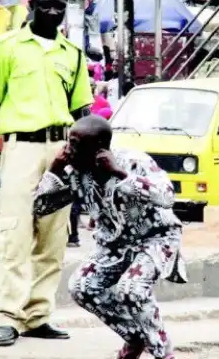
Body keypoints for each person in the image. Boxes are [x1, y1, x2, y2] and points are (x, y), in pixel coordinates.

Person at [0, 0, 93, 347]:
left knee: (54, 236)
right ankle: (8, 316)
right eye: (47, 6)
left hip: (61, 149)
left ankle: (37, 315)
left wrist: (87, 159)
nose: (54, 13)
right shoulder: (8, 47)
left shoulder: (72, 54)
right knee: (15, 235)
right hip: (22, 148)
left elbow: (82, 111)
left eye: (60, 7)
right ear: (32, 5)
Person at [33, 116, 186, 359]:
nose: (68, 150)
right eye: (68, 142)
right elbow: (40, 208)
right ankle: (135, 338)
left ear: (100, 147)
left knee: (133, 290)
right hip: (114, 245)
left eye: (75, 144)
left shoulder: (133, 161)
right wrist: (54, 170)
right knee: (82, 287)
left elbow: (167, 197)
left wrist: (121, 174)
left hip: (156, 239)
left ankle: (163, 353)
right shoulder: (75, 173)